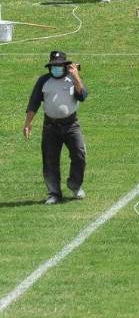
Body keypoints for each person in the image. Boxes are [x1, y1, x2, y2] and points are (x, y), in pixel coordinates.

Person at [23, 51, 89, 205]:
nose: (56, 68)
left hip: (71, 125)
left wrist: (76, 77)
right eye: (54, 66)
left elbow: (82, 95)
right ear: (50, 66)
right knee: (50, 160)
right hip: (50, 126)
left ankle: (75, 185)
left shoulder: (72, 80)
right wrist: (28, 123)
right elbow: (34, 102)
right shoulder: (43, 81)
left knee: (79, 155)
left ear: (65, 66)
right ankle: (54, 193)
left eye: (59, 65)